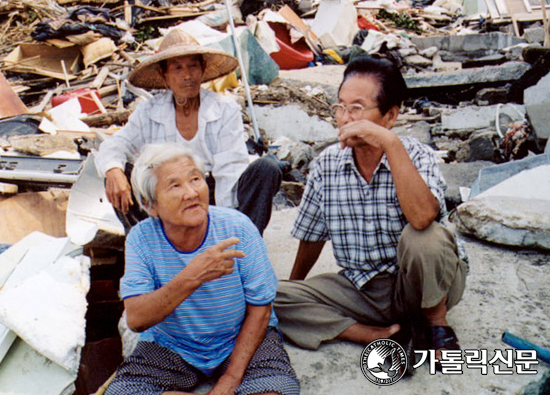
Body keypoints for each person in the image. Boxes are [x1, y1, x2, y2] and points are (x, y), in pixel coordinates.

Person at [273, 56, 467, 362]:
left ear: (390, 116)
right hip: (362, 288)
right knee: (269, 298)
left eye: (357, 109)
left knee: (424, 237)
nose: (346, 118)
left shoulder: (417, 155)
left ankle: (434, 322)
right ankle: (374, 334)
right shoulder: (327, 165)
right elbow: (312, 235)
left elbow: (423, 217)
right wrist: (295, 290)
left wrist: (390, 145)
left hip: (422, 284)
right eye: (340, 107)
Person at [105, 143, 299, 395]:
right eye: (175, 185)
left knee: (278, 389)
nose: (191, 193)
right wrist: (192, 276)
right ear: (150, 204)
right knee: (123, 392)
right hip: (172, 345)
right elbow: (137, 319)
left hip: (238, 337)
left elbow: (260, 310)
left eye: (195, 179)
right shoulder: (141, 239)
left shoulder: (238, 228)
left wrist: (229, 380)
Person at [95, 28, 282, 235]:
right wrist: (113, 170)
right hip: (167, 197)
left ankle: (243, 246)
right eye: (177, 68)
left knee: (267, 169)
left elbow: (229, 172)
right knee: (117, 175)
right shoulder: (149, 111)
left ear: (202, 70)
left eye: (193, 66)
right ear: (163, 74)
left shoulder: (224, 109)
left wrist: (221, 230)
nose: (187, 76)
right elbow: (114, 145)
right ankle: (151, 247)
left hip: (211, 191)